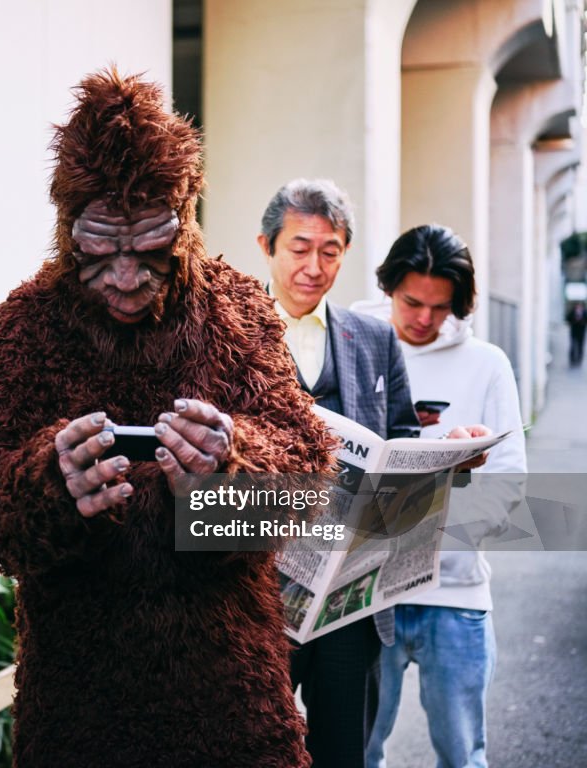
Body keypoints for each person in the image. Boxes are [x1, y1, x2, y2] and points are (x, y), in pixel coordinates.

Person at [0, 69, 339, 767]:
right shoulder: (22, 329)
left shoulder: (238, 311)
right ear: (69, 231)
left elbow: (307, 480)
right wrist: (50, 484)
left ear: (183, 221)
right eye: (101, 251)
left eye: (148, 249)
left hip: (232, 700)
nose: (126, 278)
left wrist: (229, 466)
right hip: (77, 708)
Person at [258, 178, 421, 767]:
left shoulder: (374, 337)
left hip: (351, 597)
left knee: (344, 753)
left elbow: (401, 435)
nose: (314, 265)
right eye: (299, 248)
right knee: (253, 750)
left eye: (330, 250)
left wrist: (438, 454)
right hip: (259, 592)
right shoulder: (229, 334)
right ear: (267, 247)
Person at [354, 224, 527, 768]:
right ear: (388, 287)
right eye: (412, 302)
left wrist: (433, 526)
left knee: (462, 755)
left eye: (440, 306)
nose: (425, 318)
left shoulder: (488, 363)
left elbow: (509, 484)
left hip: (454, 595)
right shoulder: (355, 344)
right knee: (356, 752)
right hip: (367, 592)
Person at [567, 300, 586, 365]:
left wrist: (582, 322)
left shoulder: (584, 312)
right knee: (573, 345)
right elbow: (568, 318)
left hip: (581, 332)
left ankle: (579, 358)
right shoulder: (572, 312)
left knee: (580, 345)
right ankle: (572, 359)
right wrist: (574, 321)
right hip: (574, 331)